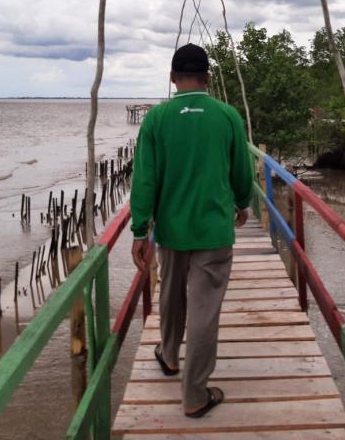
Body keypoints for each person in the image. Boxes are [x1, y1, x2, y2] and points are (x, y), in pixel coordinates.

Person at [130, 43, 253, 418]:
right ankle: (195, 394)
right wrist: (242, 201)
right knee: (204, 310)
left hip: (170, 230)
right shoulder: (227, 115)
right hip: (214, 231)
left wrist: (139, 230)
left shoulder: (156, 119)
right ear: (208, 78)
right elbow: (242, 172)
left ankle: (168, 356)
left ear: (172, 78)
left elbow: (144, 180)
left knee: (170, 294)